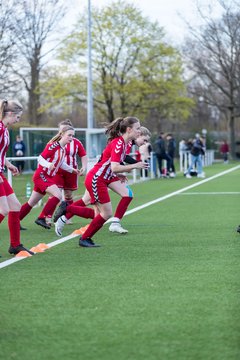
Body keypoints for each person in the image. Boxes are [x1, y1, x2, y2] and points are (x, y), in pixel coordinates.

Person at [54, 117, 148, 247]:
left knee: (106, 210)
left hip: (105, 177)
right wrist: (134, 165)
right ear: (129, 129)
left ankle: (87, 234)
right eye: (138, 128)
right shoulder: (119, 143)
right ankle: (69, 210)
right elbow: (114, 166)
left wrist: (119, 173)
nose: (139, 131)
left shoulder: (125, 143)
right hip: (97, 179)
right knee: (105, 213)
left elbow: (111, 166)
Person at [19, 125, 81, 229]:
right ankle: (42, 217)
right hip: (41, 175)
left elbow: (61, 164)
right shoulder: (53, 146)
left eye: (73, 136)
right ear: (61, 135)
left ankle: (15, 221)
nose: (71, 138)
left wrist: (72, 170)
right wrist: (48, 165)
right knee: (57, 195)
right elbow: (40, 158)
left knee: (32, 202)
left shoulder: (63, 149)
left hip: (47, 177)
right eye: (69, 135)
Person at [37, 119, 87, 226]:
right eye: (61, 130)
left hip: (70, 172)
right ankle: (47, 217)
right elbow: (42, 158)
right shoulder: (53, 143)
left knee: (68, 195)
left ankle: (66, 216)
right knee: (55, 194)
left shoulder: (75, 143)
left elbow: (83, 154)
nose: (69, 136)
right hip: (56, 171)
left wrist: (82, 167)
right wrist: (47, 166)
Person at [0, 99, 34, 256]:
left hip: (1, 172)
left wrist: (8, 164)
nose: (18, 121)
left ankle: (15, 245)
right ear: (11, 114)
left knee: (15, 206)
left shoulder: (5, 129)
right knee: (4, 209)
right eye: (18, 117)